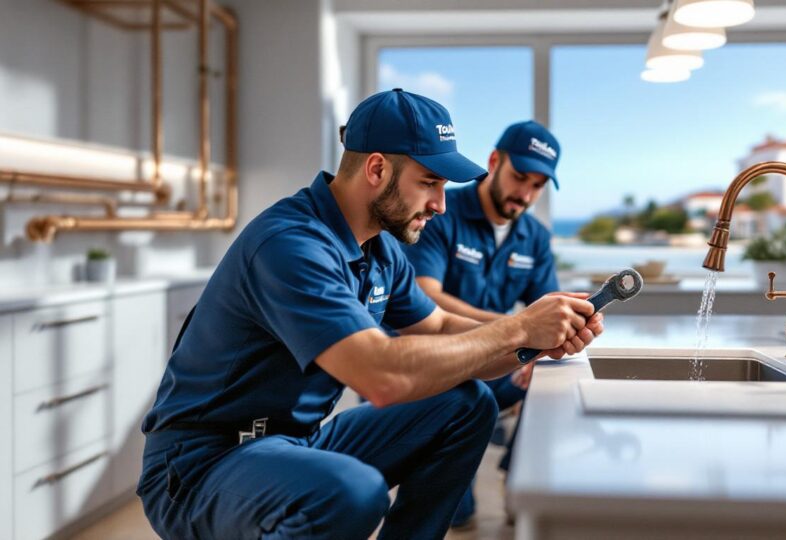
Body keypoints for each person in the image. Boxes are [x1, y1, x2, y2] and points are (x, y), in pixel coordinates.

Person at [135, 88, 604, 539]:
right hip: (202, 464)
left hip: (294, 443)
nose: (440, 205)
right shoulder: (291, 244)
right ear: (377, 169)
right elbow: (381, 377)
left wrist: (534, 341)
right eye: (430, 183)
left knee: (468, 404)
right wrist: (519, 326)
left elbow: (438, 325)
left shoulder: (381, 249)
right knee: (352, 493)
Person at [401, 119, 562, 528]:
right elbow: (427, 296)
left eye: (538, 185)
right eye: (519, 177)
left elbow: (546, 307)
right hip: (435, 365)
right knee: (458, 520)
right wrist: (521, 326)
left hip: (494, 365)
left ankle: (519, 479)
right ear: (494, 161)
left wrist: (539, 350)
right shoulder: (440, 211)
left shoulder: (536, 237)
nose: (525, 193)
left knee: (551, 379)